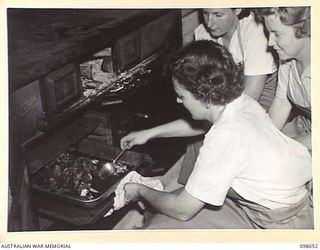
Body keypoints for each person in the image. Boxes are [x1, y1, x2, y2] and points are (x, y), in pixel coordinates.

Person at [122, 40, 313, 229]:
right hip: (289, 198)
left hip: (282, 221)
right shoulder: (240, 102)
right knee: (173, 201)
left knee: (165, 222)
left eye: (182, 96)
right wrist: (150, 133)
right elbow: (203, 125)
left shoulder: (224, 137)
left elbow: (183, 210)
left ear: (204, 96)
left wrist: (140, 190)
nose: (179, 102)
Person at [195, 8, 278, 111]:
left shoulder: (255, 29)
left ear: (237, 10)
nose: (209, 23)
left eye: (218, 15)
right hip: (226, 99)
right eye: (205, 13)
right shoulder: (202, 34)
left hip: (260, 100)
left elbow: (252, 94)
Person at [254, 7, 311, 151]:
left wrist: (284, 147)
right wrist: (265, 139)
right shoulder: (287, 59)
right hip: (304, 125)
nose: (270, 42)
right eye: (268, 33)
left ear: (304, 30)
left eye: (276, 34)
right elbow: (281, 102)